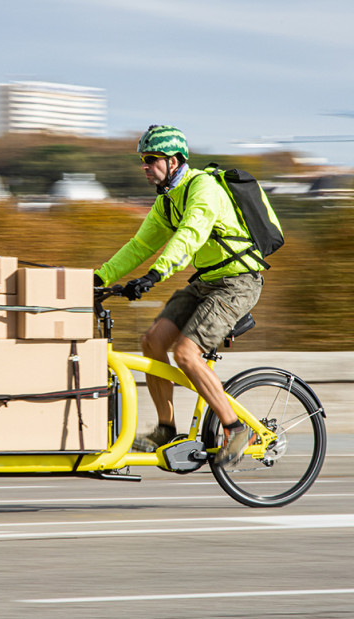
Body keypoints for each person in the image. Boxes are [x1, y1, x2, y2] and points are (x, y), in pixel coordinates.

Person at [94, 125, 265, 465]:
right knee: (152, 342)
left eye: (151, 159)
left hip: (238, 282)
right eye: (142, 160)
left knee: (187, 354)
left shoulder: (203, 187)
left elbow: (191, 235)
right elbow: (140, 245)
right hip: (207, 282)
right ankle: (166, 429)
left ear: (174, 161)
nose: (145, 166)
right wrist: (98, 278)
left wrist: (156, 275)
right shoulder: (167, 201)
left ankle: (236, 428)